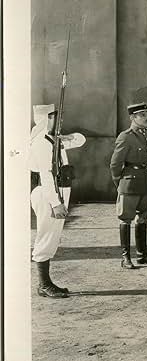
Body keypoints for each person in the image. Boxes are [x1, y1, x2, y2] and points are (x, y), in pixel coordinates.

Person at [30, 103, 86, 297]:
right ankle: (43, 284)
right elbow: (46, 176)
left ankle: (46, 283)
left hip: (59, 190)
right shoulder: (41, 143)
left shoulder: (53, 140)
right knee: (46, 235)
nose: (59, 121)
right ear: (46, 119)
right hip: (47, 193)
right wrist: (55, 203)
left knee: (52, 235)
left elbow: (81, 140)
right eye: (55, 117)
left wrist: (67, 137)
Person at [110, 102, 147, 269]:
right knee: (126, 219)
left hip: (146, 181)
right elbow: (115, 165)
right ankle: (126, 258)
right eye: (142, 115)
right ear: (133, 117)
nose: (146, 118)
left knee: (143, 218)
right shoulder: (125, 136)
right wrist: (121, 184)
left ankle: (142, 255)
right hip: (130, 183)